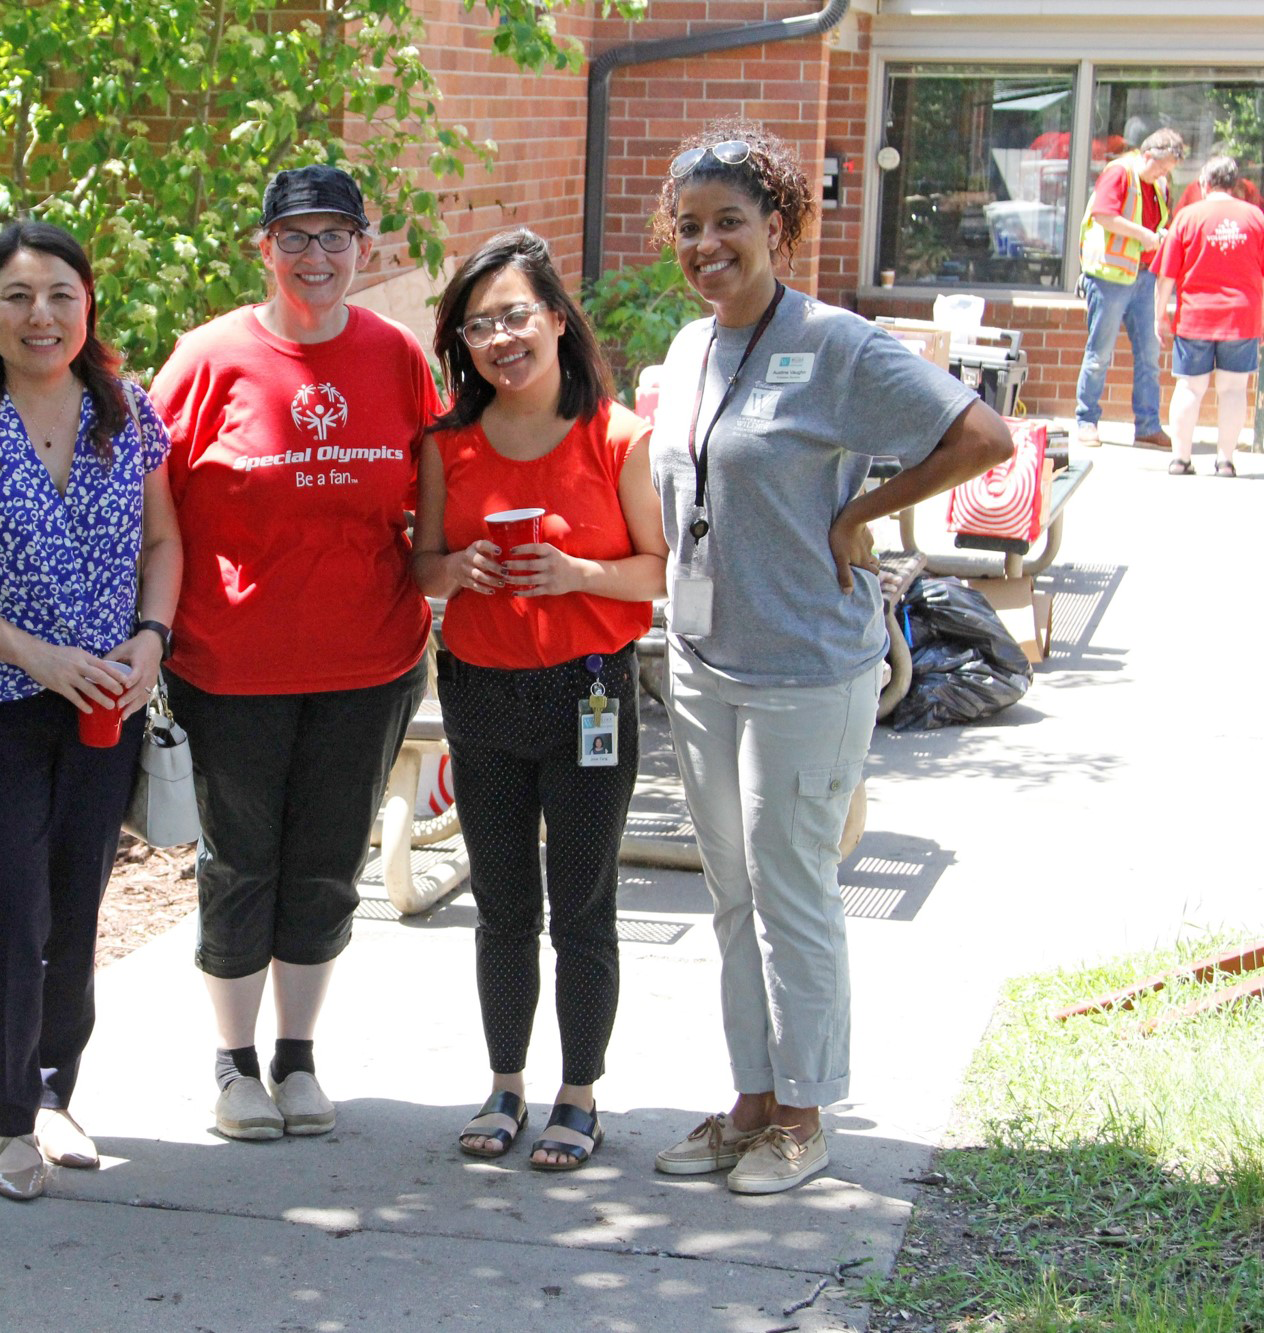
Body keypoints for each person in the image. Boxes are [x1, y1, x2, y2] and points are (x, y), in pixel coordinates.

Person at [646, 122, 1012, 1194]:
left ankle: (803, 1114)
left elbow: (981, 436)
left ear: (779, 230)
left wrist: (861, 511)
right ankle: (750, 1101)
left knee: (793, 888)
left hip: (807, 667)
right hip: (704, 660)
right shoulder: (686, 348)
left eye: (727, 223)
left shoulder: (837, 344)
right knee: (728, 895)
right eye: (689, 227)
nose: (706, 244)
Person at [149, 164, 436, 1142]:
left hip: (370, 662)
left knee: (323, 864)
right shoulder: (205, 359)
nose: (315, 257)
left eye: (334, 236)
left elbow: (429, 498)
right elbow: (148, 512)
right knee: (241, 862)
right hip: (231, 668)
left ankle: (296, 1055)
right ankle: (231, 1064)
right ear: (261, 249)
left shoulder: (396, 356)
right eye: (296, 237)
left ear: (363, 247)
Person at [0, 221, 182, 1201]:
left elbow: (162, 542)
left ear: (87, 305)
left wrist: (149, 639)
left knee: (75, 904)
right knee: (9, 906)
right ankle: (9, 1117)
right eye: (17, 296)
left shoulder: (127, 413)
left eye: (60, 294)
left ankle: (58, 1086)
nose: (41, 315)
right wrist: (35, 656)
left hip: (104, 703)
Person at [411, 229, 666, 1171]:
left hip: (588, 693)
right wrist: (458, 568)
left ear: (557, 318)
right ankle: (506, 1082)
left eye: (516, 315)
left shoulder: (618, 437)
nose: (501, 338)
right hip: (482, 687)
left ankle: (580, 1092)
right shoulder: (450, 442)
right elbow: (422, 566)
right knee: (504, 902)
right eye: (480, 326)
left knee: (584, 902)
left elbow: (657, 574)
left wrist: (578, 572)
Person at [1075, 127, 1187, 447]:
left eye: (1168, 171)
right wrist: (1144, 236)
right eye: (1161, 167)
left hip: (1145, 276)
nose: (1163, 174)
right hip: (1110, 275)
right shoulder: (1119, 173)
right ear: (1147, 155)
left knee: (1150, 355)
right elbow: (1104, 215)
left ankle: (1148, 425)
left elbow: (1158, 224)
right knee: (1099, 353)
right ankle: (1086, 420)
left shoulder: (1159, 183)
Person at [1155, 154, 1264, 478]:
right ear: (1234, 185)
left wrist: (1158, 316)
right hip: (1242, 318)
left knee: (1189, 388)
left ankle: (1181, 458)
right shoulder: (1255, 218)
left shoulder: (1188, 217)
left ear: (1204, 182)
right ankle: (1225, 461)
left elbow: (1166, 275)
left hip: (1195, 316)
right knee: (1233, 390)